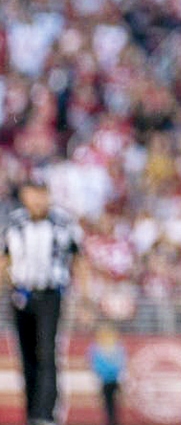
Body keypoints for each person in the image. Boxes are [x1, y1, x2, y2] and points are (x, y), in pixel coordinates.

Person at [2, 177, 83, 425]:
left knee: (47, 352)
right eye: (32, 194)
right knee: (26, 355)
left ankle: (45, 414)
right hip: (21, 294)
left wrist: (85, 298)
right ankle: (32, 413)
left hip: (50, 294)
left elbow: (79, 259)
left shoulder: (62, 224)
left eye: (41, 194)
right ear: (25, 197)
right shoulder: (14, 224)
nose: (37, 200)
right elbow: (6, 260)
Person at [89, 323, 126, 425]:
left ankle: (111, 421)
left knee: (110, 404)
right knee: (111, 403)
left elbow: (95, 364)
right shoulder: (115, 347)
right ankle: (112, 421)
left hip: (109, 380)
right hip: (109, 380)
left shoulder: (98, 347)